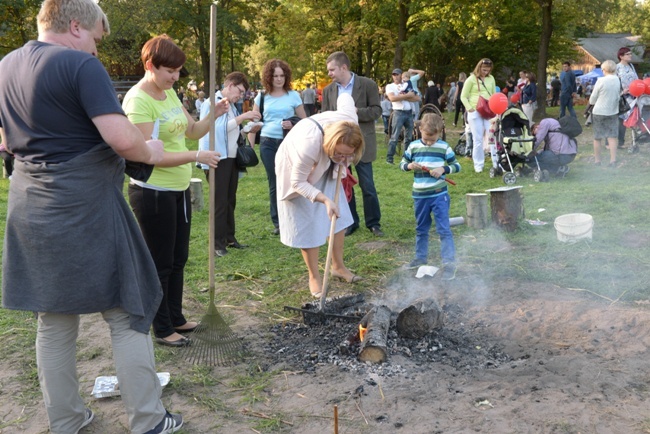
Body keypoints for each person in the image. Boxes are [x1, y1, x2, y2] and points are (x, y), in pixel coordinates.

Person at [0, 0, 186, 432]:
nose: (98, 53)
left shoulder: (6, 64)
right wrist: (151, 151)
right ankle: (148, 420)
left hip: (29, 205)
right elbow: (125, 140)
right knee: (127, 310)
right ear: (77, 26)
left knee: (54, 318)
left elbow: (7, 141)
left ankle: (65, 421)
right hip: (83, 208)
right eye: (98, 41)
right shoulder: (80, 67)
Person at [122, 35, 226, 347]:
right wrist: (196, 156)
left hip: (178, 188)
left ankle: (176, 317)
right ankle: (162, 327)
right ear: (150, 66)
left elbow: (192, 131)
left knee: (178, 259)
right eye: (171, 71)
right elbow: (145, 155)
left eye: (179, 71)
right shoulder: (138, 101)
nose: (176, 77)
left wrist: (213, 116)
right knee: (160, 263)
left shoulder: (169, 94)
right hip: (153, 192)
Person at [275, 94, 364, 297]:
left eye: (347, 155)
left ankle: (338, 267)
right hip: (297, 169)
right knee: (309, 219)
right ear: (331, 143)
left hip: (326, 162)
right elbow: (298, 183)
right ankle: (314, 276)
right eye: (340, 153)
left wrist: (340, 160)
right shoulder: (309, 144)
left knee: (338, 216)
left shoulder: (349, 124)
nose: (344, 158)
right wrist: (323, 199)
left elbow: (346, 97)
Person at [322, 51, 384, 237]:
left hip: (362, 144)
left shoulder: (367, 85)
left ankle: (373, 223)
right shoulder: (328, 90)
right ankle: (351, 222)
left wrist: (356, 112)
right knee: (344, 185)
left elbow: (376, 111)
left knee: (368, 186)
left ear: (343, 67)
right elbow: (325, 116)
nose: (329, 74)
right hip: (339, 147)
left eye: (332, 69)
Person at [199, 72, 260, 257]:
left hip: (231, 157)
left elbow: (231, 132)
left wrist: (248, 129)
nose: (240, 96)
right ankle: (217, 244)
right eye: (239, 91)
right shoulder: (212, 103)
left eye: (242, 93)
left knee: (229, 200)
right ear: (230, 85)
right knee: (219, 202)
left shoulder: (231, 106)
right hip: (217, 158)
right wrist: (244, 117)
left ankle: (229, 237)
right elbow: (217, 128)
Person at [399, 113, 461, 281]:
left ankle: (449, 263)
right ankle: (420, 258)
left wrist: (443, 169)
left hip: (439, 195)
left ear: (439, 133)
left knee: (443, 229)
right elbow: (402, 164)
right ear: (420, 130)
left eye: (432, 139)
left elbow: (457, 166)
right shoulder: (413, 147)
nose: (428, 142)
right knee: (421, 228)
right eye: (426, 138)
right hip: (420, 196)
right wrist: (410, 166)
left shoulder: (444, 147)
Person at [248, 59, 306, 235]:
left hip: (287, 142)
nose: (279, 79)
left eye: (282, 75)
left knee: (291, 180)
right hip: (267, 142)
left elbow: (305, 121)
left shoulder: (293, 95)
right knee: (274, 181)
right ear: (269, 77)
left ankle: (294, 217)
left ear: (286, 76)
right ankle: (278, 222)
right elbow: (254, 123)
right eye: (275, 76)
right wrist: (250, 147)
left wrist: (292, 124)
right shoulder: (262, 96)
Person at [460, 58, 497, 172]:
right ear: (479, 67)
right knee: (478, 139)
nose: (486, 72)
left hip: (488, 110)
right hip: (475, 110)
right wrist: (469, 108)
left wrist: (495, 108)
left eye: (488, 70)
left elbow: (494, 94)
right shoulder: (471, 79)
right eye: (484, 69)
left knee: (492, 137)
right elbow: (463, 96)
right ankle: (478, 165)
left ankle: (496, 163)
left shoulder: (491, 78)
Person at [589, 60, 620, 168]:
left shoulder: (601, 80)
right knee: (612, 137)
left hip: (599, 112)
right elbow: (617, 96)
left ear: (604, 70)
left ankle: (597, 160)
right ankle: (613, 160)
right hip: (612, 111)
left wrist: (592, 102)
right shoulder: (617, 80)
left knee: (598, 137)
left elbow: (592, 99)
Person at [386, 68, 421, 164]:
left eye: (397, 74)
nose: (395, 76)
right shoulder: (390, 86)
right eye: (393, 74)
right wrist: (407, 96)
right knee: (394, 137)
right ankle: (389, 158)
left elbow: (417, 98)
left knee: (409, 137)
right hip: (398, 112)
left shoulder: (407, 84)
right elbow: (392, 98)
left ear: (401, 75)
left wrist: (402, 97)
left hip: (408, 112)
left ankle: (406, 158)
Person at [616, 47, 638, 150]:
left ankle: (635, 139)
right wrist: (621, 92)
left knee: (632, 116)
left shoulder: (631, 66)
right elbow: (614, 83)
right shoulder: (617, 68)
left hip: (633, 96)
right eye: (628, 54)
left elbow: (636, 80)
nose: (630, 55)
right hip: (622, 97)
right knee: (621, 119)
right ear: (621, 56)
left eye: (630, 54)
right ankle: (619, 142)